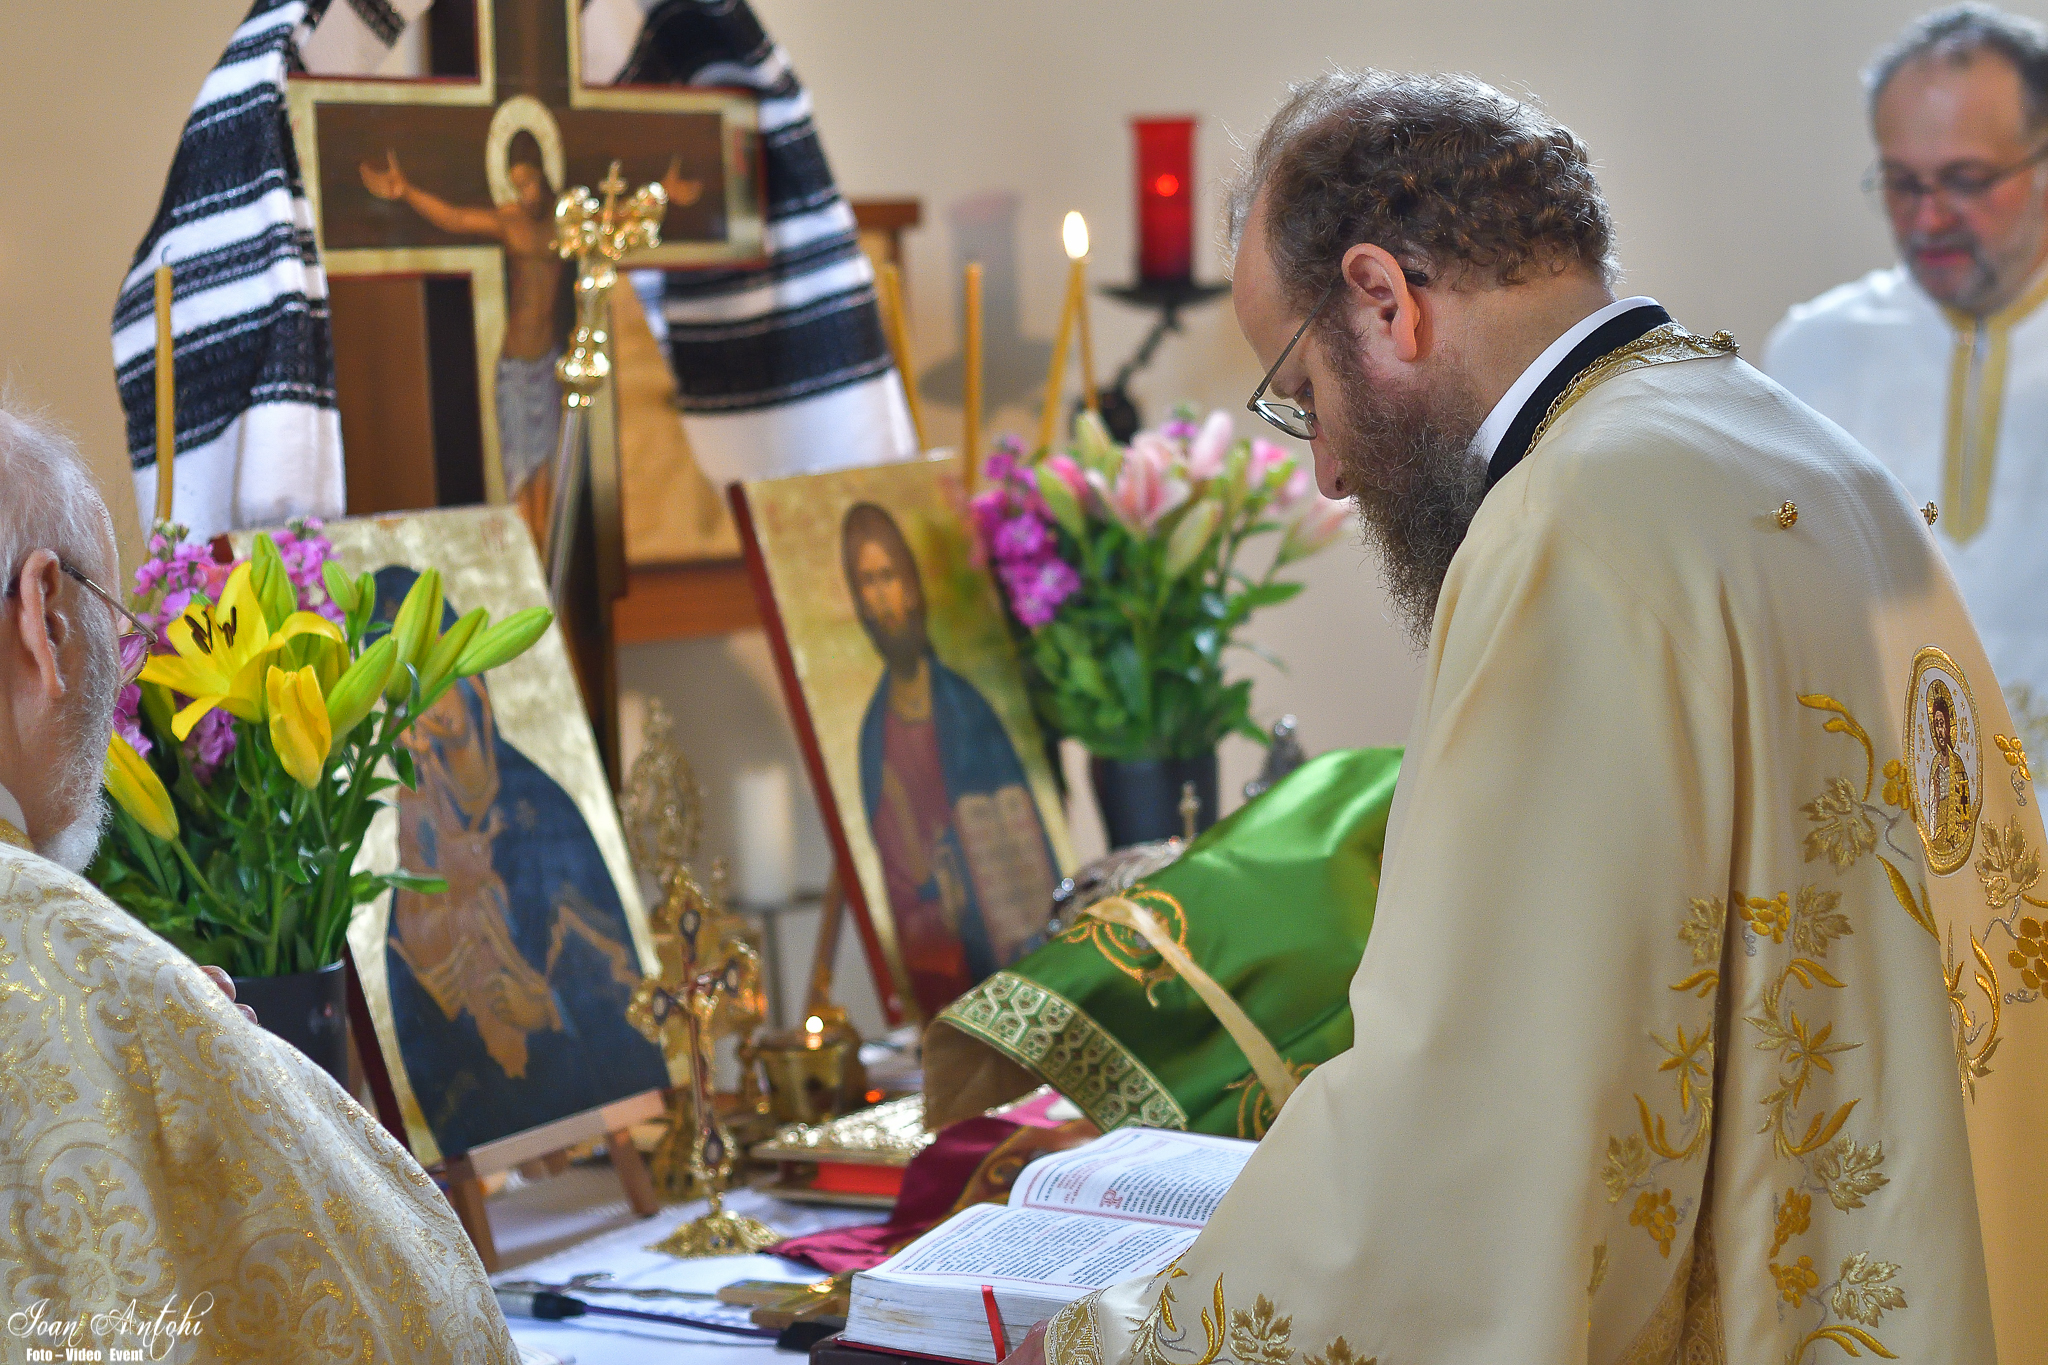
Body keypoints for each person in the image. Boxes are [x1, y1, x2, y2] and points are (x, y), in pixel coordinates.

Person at [1009, 70, 2044, 1365]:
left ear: (1381, 299)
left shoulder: (1574, 522)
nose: (1325, 468)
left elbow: (1485, 1120)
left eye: (1301, 393)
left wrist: (1124, 1341)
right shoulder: (1802, 453)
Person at [0, 408, 516, 1362]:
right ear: (45, 616)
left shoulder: (94, 982)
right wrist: (170, 1037)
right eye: (121, 626)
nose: (127, 670)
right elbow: (422, 1320)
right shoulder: (94, 984)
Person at [1766, 5, 2048, 765]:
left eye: (1967, 180)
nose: (1929, 218)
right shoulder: (1816, 352)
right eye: (1901, 183)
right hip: (1890, 801)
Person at [844, 502, 1059, 1016]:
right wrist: (929, 887)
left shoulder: (967, 705)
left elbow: (1022, 839)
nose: (882, 596)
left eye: (888, 576)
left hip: (1009, 948)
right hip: (941, 967)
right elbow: (894, 869)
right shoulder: (874, 734)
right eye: (867, 583)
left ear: (912, 587)